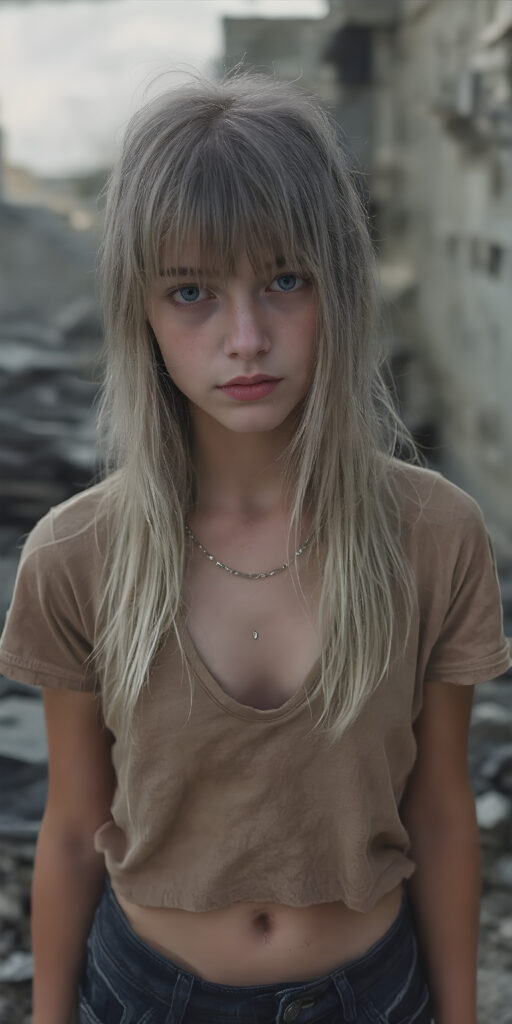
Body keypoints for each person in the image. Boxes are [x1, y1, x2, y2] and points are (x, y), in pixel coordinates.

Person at [0, 68, 510, 1024]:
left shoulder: (432, 534)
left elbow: (442, 816)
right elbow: (71, 829)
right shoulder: (75, 555)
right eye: (192, 291)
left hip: (372, 994)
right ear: (141, 313)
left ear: (339, 288)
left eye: (284, 280)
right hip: (145, 994)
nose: (246, 338)